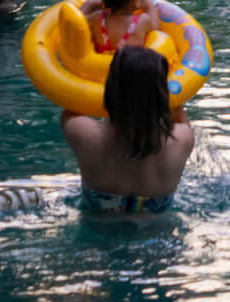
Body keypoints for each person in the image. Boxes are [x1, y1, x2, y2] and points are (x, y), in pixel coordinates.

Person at [61, 45, 195, 214]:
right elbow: (175, 109)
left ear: (110, 87)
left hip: (98, 234)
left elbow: (73, 101)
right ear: (163, 93)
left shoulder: (84, 133)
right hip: (160, 234)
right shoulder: (181, 139)